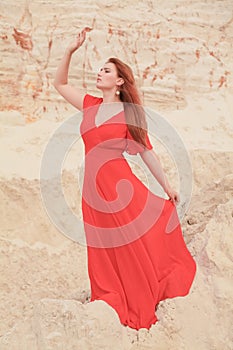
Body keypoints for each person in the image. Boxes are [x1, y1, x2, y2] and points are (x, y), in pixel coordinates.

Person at [53, 28, 196, 330]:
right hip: (92, 189)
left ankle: (139, 294)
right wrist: (70, 50)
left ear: (119, 82)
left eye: (106, 70)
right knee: (102, 246)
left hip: (120, 186)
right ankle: (109, 295)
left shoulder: (129, 113)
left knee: (128, 245)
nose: (99, 73)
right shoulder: (90, 104)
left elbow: (146, 153)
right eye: (100, 70)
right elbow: (60, 83)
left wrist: (167, 186)